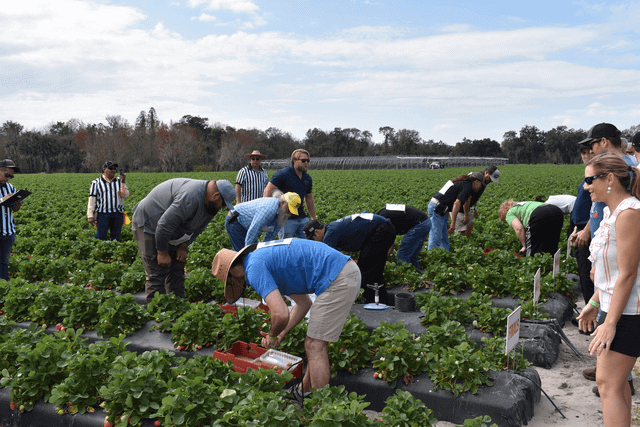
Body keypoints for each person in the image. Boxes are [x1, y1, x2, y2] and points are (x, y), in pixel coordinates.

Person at [211, 239, 360, 401]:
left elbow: (280, 314)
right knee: (316, 344)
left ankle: (321, 408)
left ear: (234, 272)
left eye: (232, 281)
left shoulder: (253, 269)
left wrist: (272, 335)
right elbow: (304, 303)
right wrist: (280, 335)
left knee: (314, 345)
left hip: (338, 278)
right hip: (343, 271)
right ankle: (304, 391)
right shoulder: (262, 259)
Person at [572, 123, 637, 392]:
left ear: (609, 179)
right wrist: (596, 301)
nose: (586, 187)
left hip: (627, 311)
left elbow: (629, 272)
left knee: (609, 384)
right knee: (612, 384)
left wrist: (610, 323)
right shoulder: (613, 211)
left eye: (590, 180)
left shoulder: (628, 213)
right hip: (611, 302)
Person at [132, 178, 235, 302]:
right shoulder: (191, 196)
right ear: (216, 196)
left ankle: (177, 306)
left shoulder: (212, 205)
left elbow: (199, 227)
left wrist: (182, 247)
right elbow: (164, 225)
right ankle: (156, 312)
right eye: (223, 204)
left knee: (177, 268)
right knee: (157, 272)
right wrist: (162, 253)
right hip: (149, 223)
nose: (223, 208)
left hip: (171, 229)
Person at [303, 213, 395, 305]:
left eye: (313, 239)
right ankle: (380, 299)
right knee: (371, 267)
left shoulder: (330, 234)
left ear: (317, 232)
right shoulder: (331, 228)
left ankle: (374, 301)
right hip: (383, 228)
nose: (314, 242)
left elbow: (325, 262)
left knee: (367, 269)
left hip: (382, 230)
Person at [263, 149, 316, 239]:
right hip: (286, 219)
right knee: (285, 245)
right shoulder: (283, 174)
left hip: (302, 217)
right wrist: (269, 213)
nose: (306, 163)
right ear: (295, 160)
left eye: (308, 161)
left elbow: (309, 198)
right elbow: (267, 191)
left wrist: (313, 217)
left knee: (309, 242)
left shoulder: (307, 178)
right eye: (303, 160)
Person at [225, 191, 301, 251]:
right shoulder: (269, 209)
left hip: (247, 225)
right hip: (235, 220)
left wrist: (262, 249)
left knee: (254, 250)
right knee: (241, 255)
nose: (290, 213)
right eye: (289, 209)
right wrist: (248, 251)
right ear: (283, 203)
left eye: (292, 211)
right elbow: (254, 230)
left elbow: (272, 234)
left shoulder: (282, 214)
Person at [568, 146, 595, 306]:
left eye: (589, 152)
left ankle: (592, 319)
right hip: (582, 229)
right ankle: (590, 313)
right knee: (585, 274)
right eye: (583, 153)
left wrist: (585, 230)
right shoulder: (589, 175)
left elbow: (599, 206)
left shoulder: (598, 175)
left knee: (588, 274)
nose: (586, 156)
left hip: (588, 233)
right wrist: (576, 229)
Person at [428, 173, 483, 250]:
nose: (480, 187)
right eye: (480, 184)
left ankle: (445, 254)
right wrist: (453, 223)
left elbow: (447, 200)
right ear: (476, 181)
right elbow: (457, 203)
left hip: (442, 208)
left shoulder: (464, 184)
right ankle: (431, 255)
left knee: (444, 235)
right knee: (436, 235)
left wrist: (447, 222)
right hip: (436, 207)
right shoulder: (467, 186)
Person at [375, 204, 431, 273]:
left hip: (419, 225)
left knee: (402, 254)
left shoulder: (384, 222)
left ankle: (405, 277)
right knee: (412, 255)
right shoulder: (383, 213)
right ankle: (416, 276)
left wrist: (384, 258)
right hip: (425, 221)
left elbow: (391, 244)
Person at [498, 199, 564, 256]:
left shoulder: (509, 213)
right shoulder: (523, 204)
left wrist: (524, 246)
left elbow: (519, 228)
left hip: (539, 215)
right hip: (556, 211)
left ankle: (534, 267)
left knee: (533, 250)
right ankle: (552, 265)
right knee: (551, 243)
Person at [452, 166, 501, 238]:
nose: (491, 181)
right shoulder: (476, 179)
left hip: (465, 205)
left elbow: (475, 196)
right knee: (462, 228)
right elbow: (467, 198)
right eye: (490, 178)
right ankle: (460, 243)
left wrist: (475, 209)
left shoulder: (484, 180)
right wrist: (466, 214)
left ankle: (466, 241)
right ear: (486, 172)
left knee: (469, 225)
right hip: (459, 204)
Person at [87, 161, 129, 241]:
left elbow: (124, 195)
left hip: (117, 214)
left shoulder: (119, 181)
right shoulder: (96, 183)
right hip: (103, 214)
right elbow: (92, 199)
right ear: (104, 169)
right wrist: (90, 215)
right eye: (111, 168)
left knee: (116, 239)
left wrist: (123, 182)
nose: (113, 170)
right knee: (100, 237)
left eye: (114, 168)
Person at [0, 159, 23, 282]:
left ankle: (4, 287)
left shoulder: (10, 187)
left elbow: (15, 209)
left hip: (8, 232)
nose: (8, 179)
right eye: (7, 175)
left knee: (4, 262)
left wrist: (17, 204)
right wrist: (2, 200)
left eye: (11, 177)